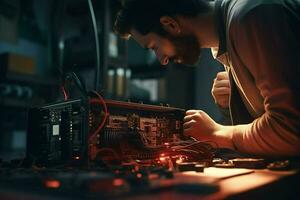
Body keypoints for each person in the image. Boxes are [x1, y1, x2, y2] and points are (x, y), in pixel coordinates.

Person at [114, 0, 300, 157]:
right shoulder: (226, 42)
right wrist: (231, 106)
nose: (162, 60)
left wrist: (219, 133)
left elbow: (290, 131)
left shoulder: (250, 17)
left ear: (170, 24)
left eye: (154, 47)